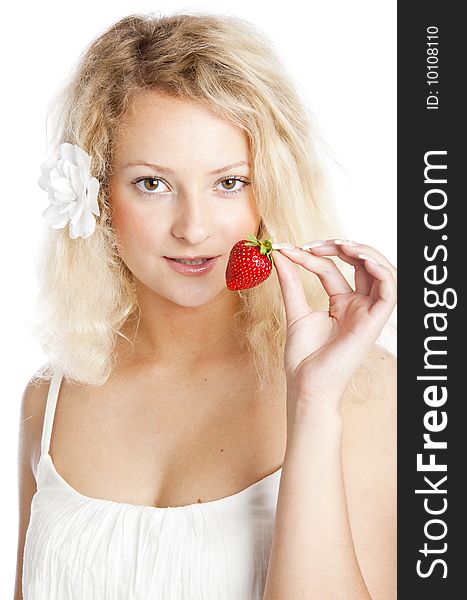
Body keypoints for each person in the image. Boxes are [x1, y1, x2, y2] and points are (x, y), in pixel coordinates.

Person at [15, 11, 397, 600]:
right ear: (96, 191)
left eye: (229, 183)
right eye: (152, 183)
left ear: (271, 186)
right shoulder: (51, 398)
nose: (194, 230)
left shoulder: (363, 391)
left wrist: (314, 404)